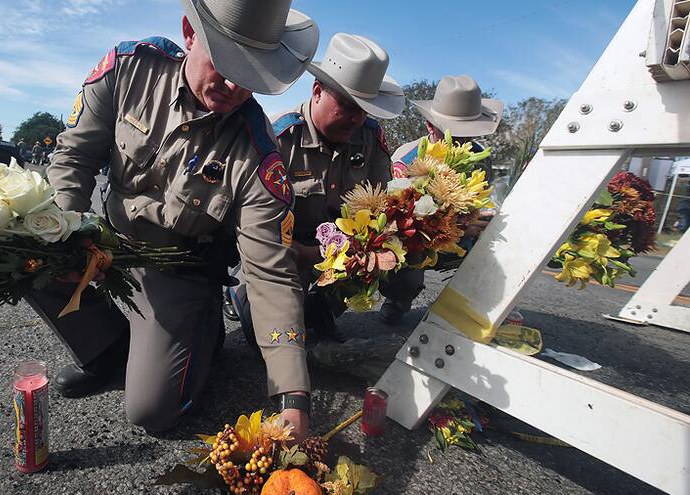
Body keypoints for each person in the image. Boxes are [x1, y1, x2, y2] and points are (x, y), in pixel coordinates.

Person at [26, 0, 319, 440]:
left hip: (178, 269)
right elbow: (75, 156)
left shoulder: (259, 154)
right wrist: (63, 230)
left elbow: (270, 274)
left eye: (251, 73)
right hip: (107, 244)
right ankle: (108, 350)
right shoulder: (129, 68)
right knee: (29, 252)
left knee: (152, 412)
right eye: (225, 61)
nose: (234, 84)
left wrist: (292, 397)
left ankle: (202, 330)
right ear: (188, 32)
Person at [226, 33, 405, 344]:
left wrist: (366, 251)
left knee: (391, 258)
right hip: (284, 251)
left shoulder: (370, 137)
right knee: (269, 338)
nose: (357, 118)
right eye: (349, 106)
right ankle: (240, 292)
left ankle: (320, 308)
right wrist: (317, 255)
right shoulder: (278, 137)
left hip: (341, 248)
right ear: (318, 91)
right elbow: (259, 233)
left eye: (365, 109)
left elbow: (383, 207)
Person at [381, 74, 503, 324]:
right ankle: (399, 298)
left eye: (467, 135)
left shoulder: (480, 157)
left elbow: (481, 199)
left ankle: (471, 307)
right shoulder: (406, 160)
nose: (461, 144)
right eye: (453, 135)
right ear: (430, 126)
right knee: (406, 274)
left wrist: (481, 221)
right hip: (417, 239)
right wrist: (456, 226)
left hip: (463, 237)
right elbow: (397, 224)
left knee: (496, 245)